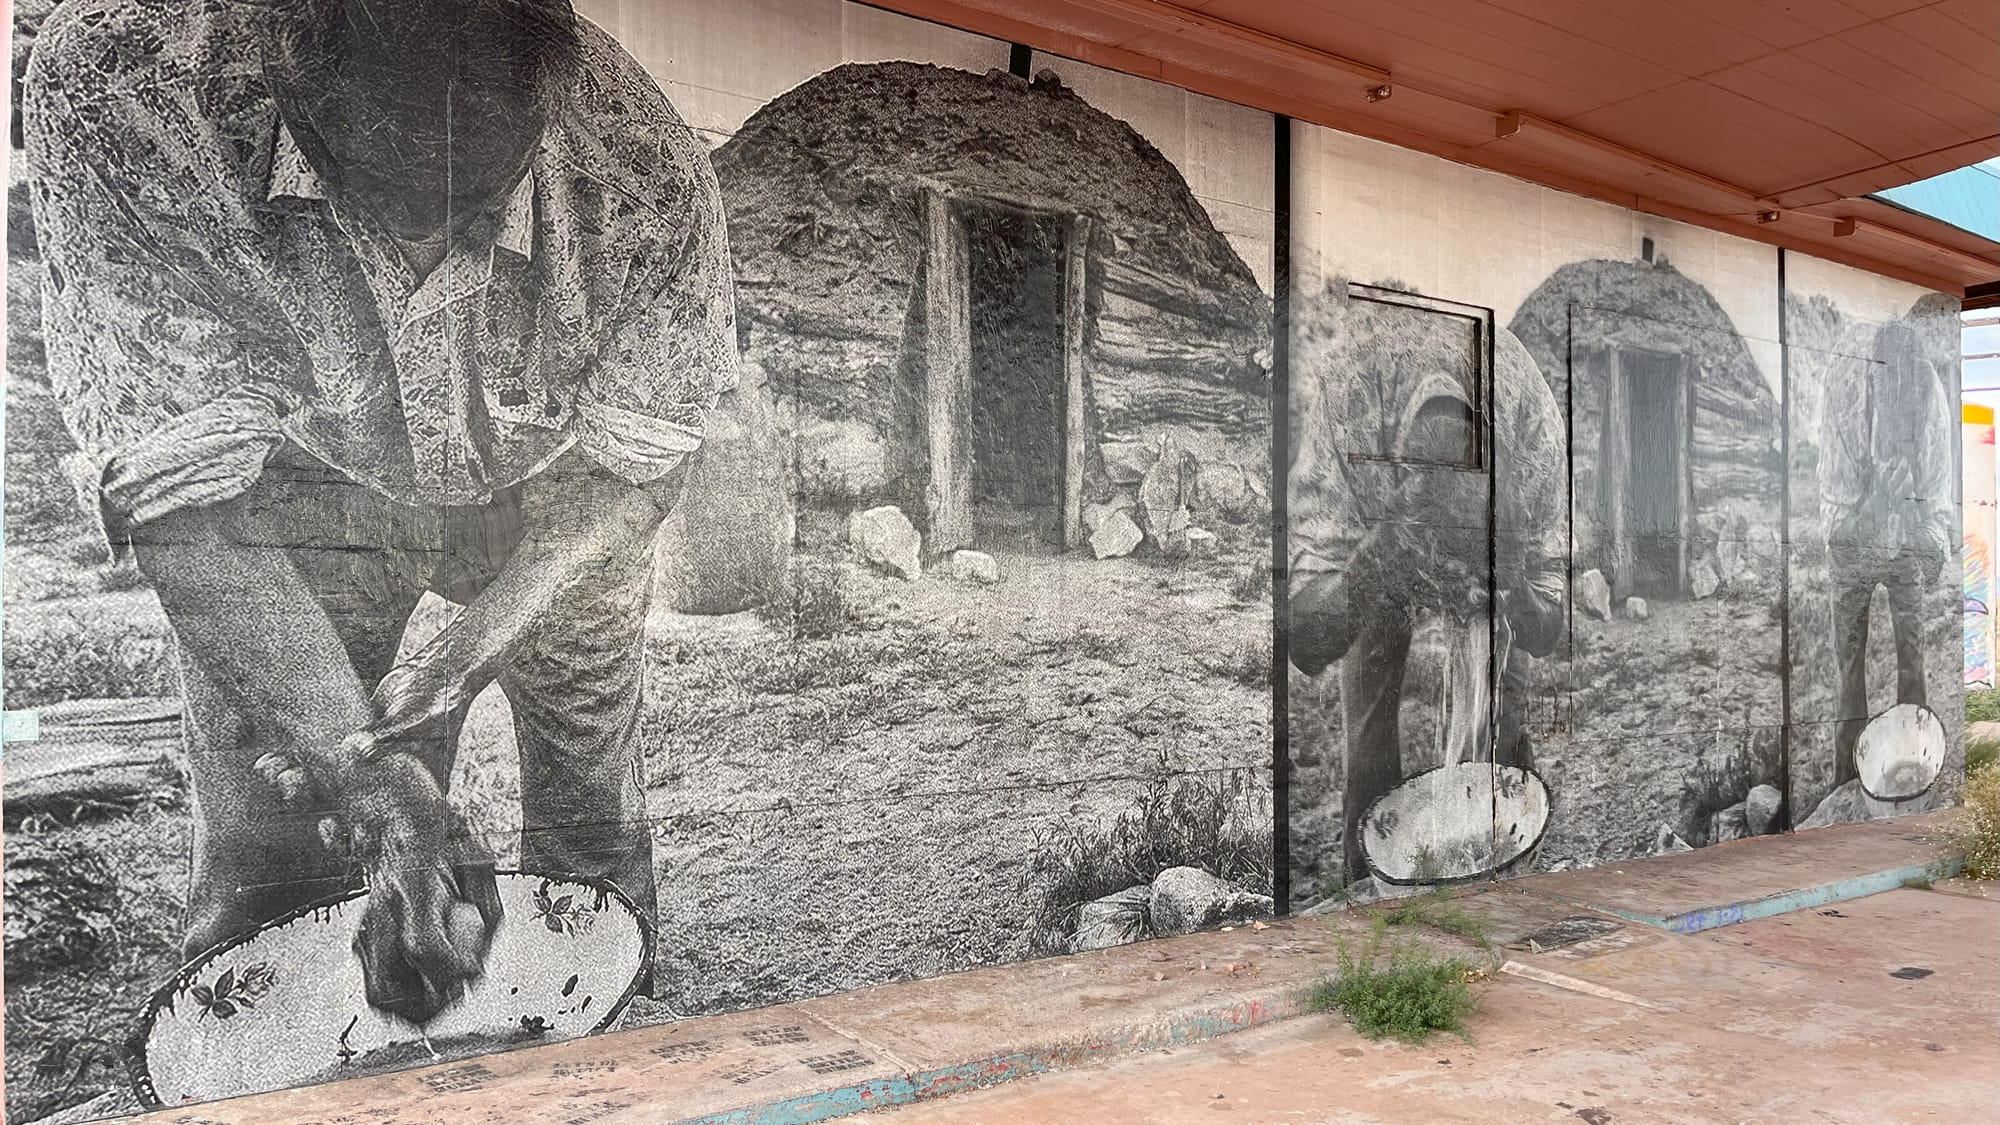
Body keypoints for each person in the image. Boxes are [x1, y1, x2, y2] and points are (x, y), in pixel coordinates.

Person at [22, 0, 737, 1021]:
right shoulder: (128, 85)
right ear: (280, 71)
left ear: (544, 105)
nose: (424, 271)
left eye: (477, 215)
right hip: (292, 478)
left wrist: (484, 632)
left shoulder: (644, 167)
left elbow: (639, 467)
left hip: (561, 480)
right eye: (363, 212)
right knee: (271, 864)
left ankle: (598, 1045)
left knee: (589, 824)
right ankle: (269, 1059)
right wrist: (368, 780)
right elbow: (182, 493)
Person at [1287, 284, 1566, 883]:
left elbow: (1547, 630)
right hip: (1379, 545)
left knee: (1504, 728)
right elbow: (1307, 640)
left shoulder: (1529, 423)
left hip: (1498, 568)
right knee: (1366, 741)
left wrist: (1507, 587)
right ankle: (1368, 884)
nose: (1453, 604)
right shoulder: (1349, 400)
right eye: (1448, 581)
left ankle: (1508, 869)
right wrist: (1377, 564)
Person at [1822, 316, 1953, 787]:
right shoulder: (1844, 395)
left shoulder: (1931, 406)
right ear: (1873, 392)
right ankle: (1844, 784)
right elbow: (1836, 536)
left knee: (1912, 662)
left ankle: (1914, 772)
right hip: (1853, 532)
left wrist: (1913, 517)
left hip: (1904, 531)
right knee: (1848, 672)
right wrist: (1878, 499)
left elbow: (1936, 557)